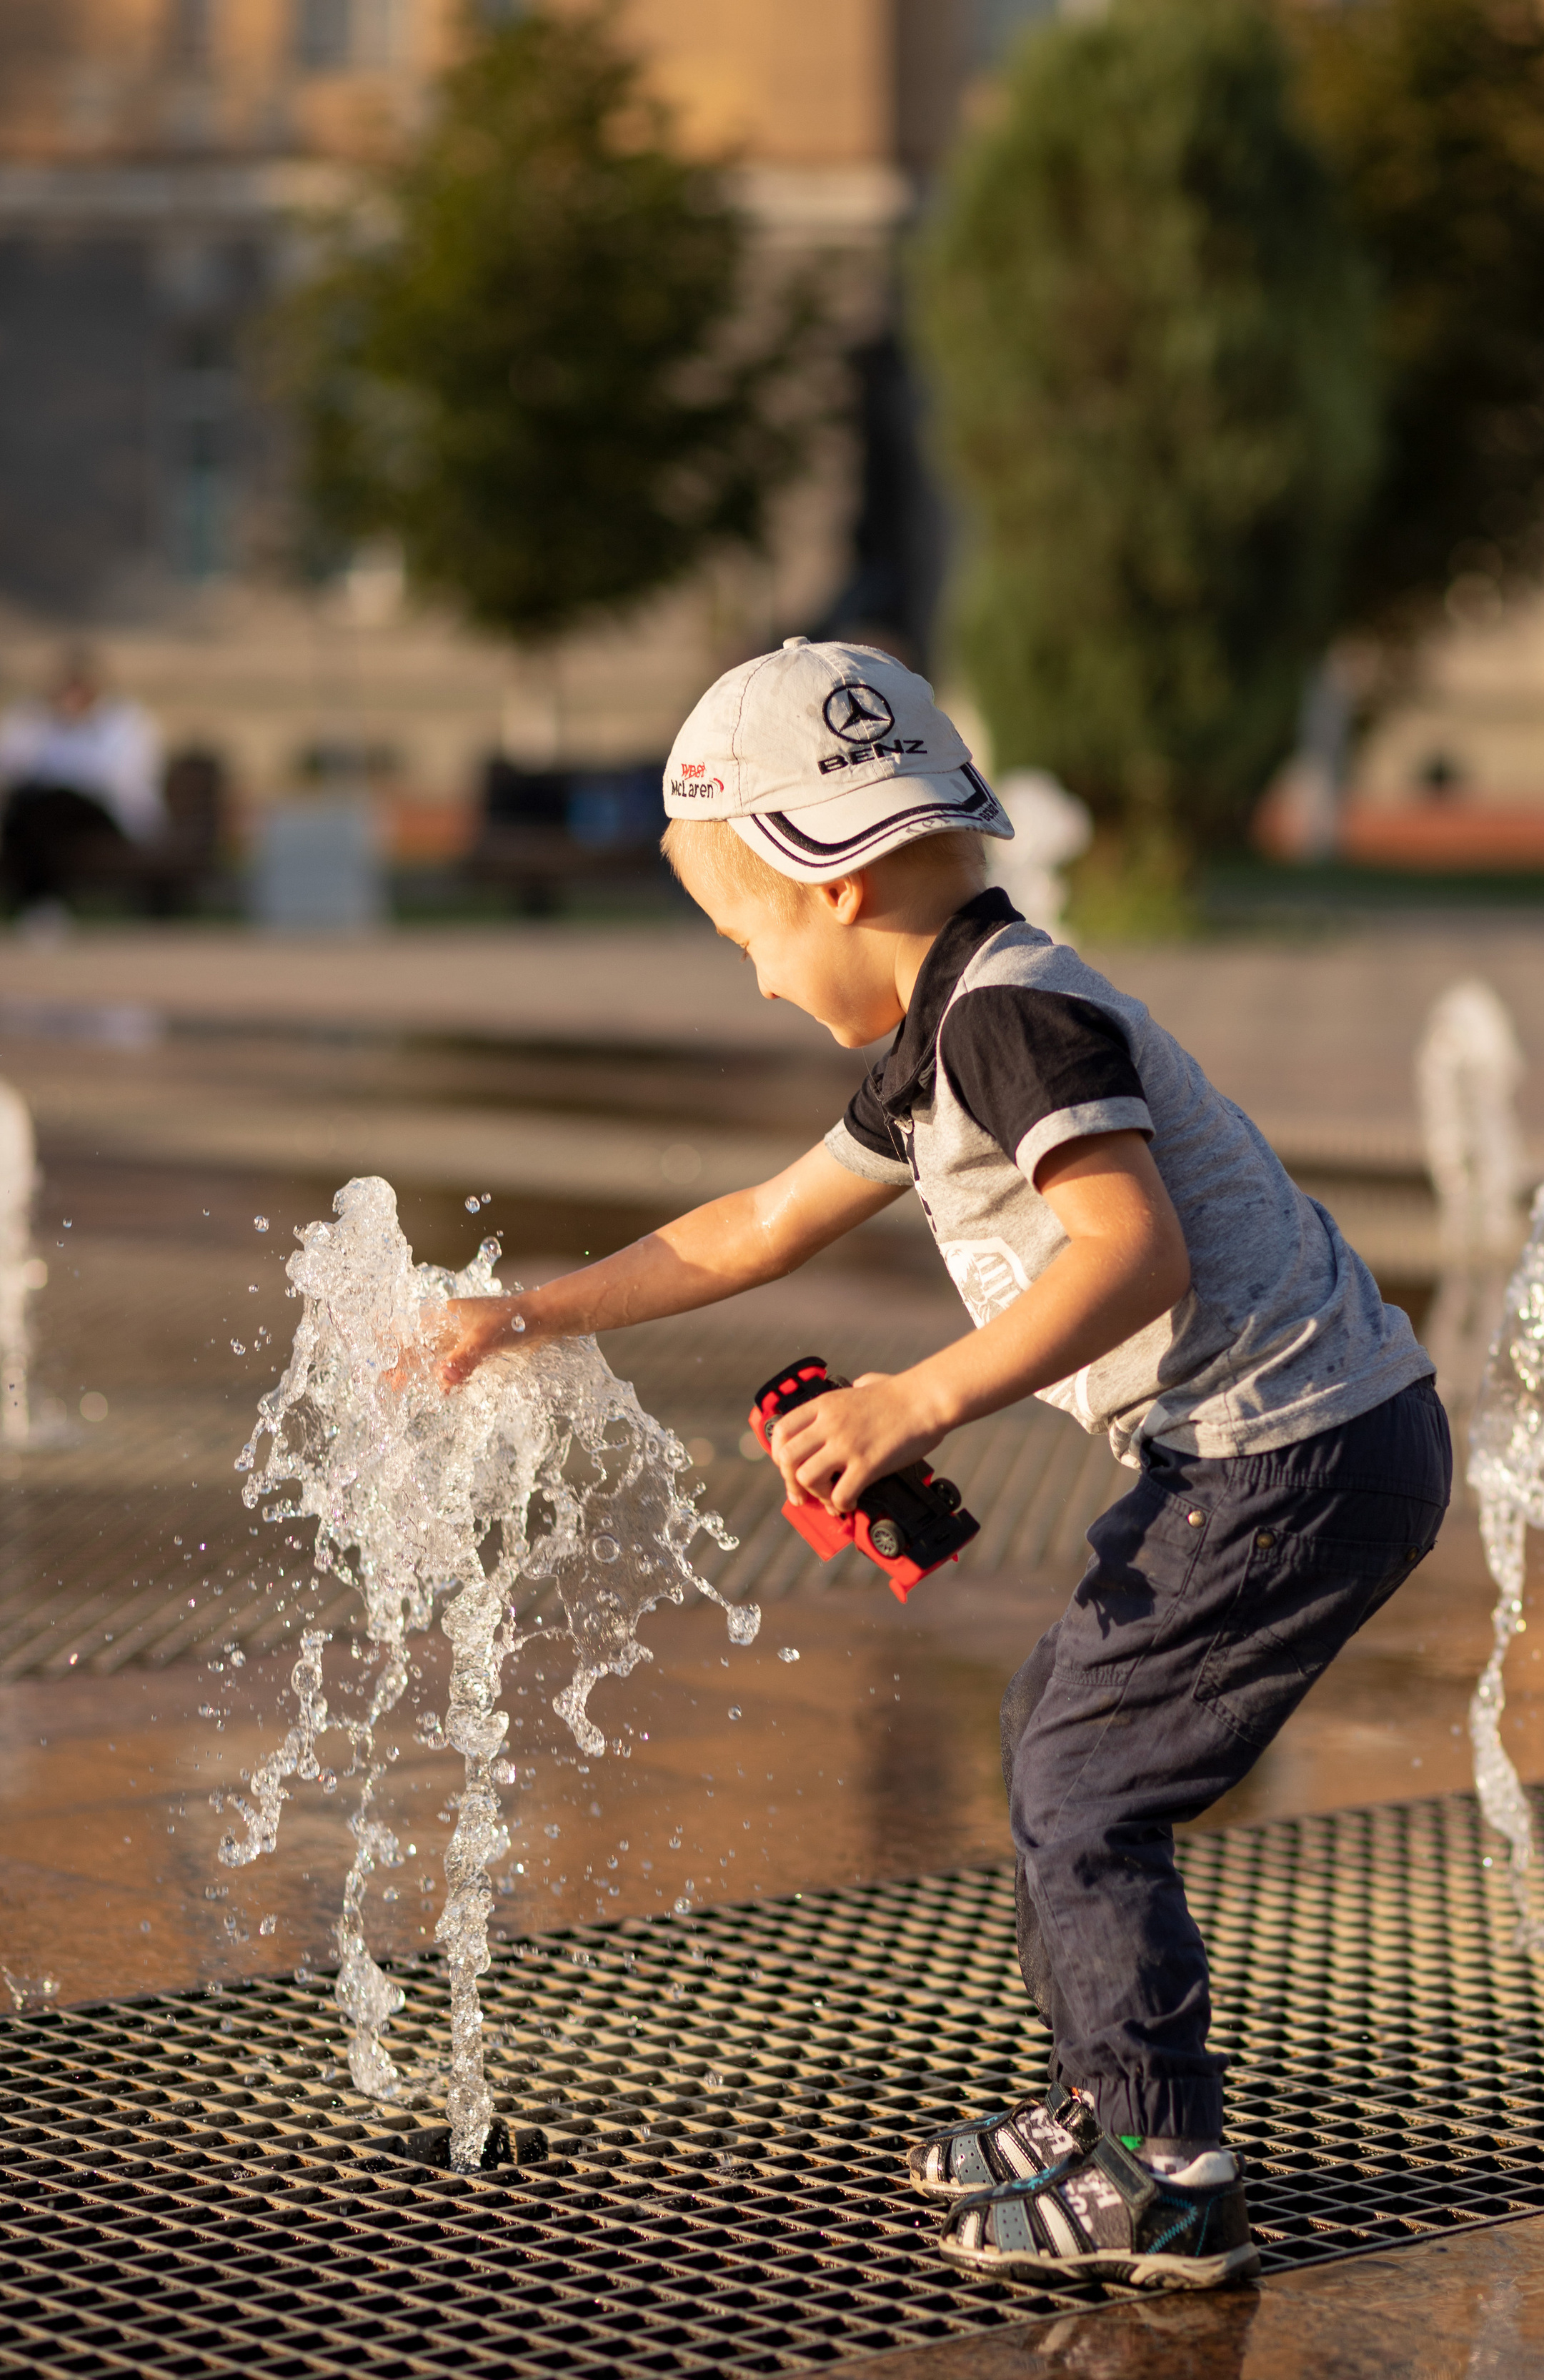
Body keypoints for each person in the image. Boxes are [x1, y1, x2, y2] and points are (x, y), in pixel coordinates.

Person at [432, 638, 1451, 2290]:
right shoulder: (948, 1028)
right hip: (1287, 1442)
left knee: (1083, 1782)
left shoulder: (1012, 1021)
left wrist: (913, 1402)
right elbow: (758, 1223)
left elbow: (1129, 1251)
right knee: (1058, 1733)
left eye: (746, 938)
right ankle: (1103, 2107)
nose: (757, 984)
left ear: (830, 882)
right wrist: (529, 1312)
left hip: (1293, 1452)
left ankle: (1162, 2169)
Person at [0, 648, 164, 912]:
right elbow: (13, 767)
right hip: (42, 812)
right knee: (35, 810)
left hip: (106, 812)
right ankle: (42, 902)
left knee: (52, 806)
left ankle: (41, 902)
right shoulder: (35, 719)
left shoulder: (124, 721)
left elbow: (124, 779)